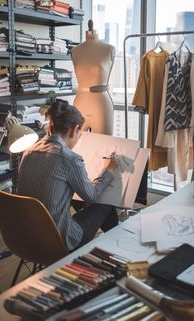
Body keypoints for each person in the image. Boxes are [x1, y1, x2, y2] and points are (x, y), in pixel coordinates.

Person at [17, 99, 119, 252]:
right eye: (80, 133)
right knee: (105, 204)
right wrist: (109, 169)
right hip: (59, 240)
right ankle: (116, 249)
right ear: (74, 129)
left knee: (77, 199)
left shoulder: (28, 152)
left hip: (28, 236)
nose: (79, 138)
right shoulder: (69, 159)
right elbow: (91, 196)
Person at [71, 20, 115, 135]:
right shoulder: (75, 51)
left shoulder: (108, 50)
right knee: (78, 146)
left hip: (100, 104)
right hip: (80, 103)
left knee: (104, 146)